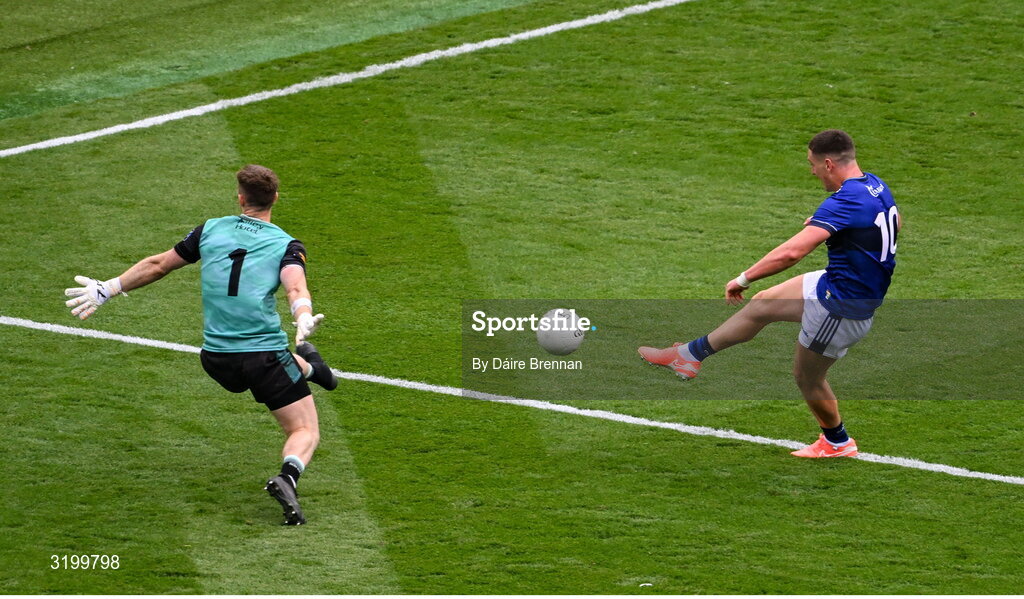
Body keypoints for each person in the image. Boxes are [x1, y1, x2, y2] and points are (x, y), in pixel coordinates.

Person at [64, 164, 338, 524]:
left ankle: (314, 368)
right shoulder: (286, 244)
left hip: (216, 359)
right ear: (275, 198)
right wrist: (302, 315)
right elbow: (295, 287)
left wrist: (108, 288)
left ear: (240, 198)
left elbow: (159, 264)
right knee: (304, 429)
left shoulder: (210, 229)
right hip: (263, 359)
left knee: (286, 365)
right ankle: (287, 478)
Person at [639, 130, 900, 458]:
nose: (812, 171)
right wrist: (844, 232)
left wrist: (743, 278)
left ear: (828, 164)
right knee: (763, 304)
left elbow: (791, 253)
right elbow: (892, 222)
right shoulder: (874, 185)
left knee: (807, 378)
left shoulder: (844, 202)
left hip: (840, 306)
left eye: (812, 164)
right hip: (834, 282)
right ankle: (688, 356)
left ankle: (837, 442)